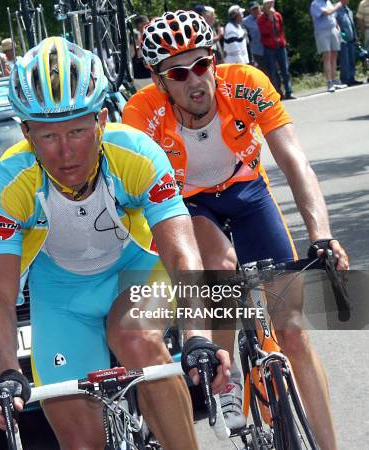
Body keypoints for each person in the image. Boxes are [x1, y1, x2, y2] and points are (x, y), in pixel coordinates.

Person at [0, 36, 231, 449]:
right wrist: (6, 372)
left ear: (100, 119)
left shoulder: (134, 153)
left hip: (133, 275)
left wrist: (197, 337)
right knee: (81, 444)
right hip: (61, 299)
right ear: (25, 131)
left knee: (133, 336)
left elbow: (180, 252)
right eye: (47, 137)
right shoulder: (9, 182)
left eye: (78, 131)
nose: (65, 153)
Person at [123, 10, 349, 449]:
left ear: (214, 58)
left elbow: (293, 161)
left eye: (202, 64)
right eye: (178, 72)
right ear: (158, 81)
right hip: (186, 202)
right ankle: (225, 375)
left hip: (247, 193)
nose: (195, 80)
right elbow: (138, 196)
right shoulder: (141, 113)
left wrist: (321, 234)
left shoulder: (246, 82)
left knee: (294, 335)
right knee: (221, 265)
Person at [258, 0, 295, 99]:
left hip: (280, 46)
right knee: (273, 72)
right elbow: (265, 32)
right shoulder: (261, 19)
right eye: (268, 3)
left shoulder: (278, 16)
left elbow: (281, 30)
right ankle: (277, 93)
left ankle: (289, 91)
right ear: (264, 6)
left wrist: (283, 41)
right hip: (269, 48)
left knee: (285, 70)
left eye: (272, 3)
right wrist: (270, 19)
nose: (271, 5)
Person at [310, 0, 348, 92]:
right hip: (322, 32)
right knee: (327, 56)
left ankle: (335, 80)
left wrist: (337, 27)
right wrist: (339, 5)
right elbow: (327, 12)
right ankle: (329, 82)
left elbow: (333, 16)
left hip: (332, 29)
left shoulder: (328, 2)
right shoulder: (315, 4)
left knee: (334, 55)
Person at [336, 0, 363, 85]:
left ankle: (352, 78)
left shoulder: (349, 10)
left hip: (352, 39)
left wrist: (356, 37)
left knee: (352, 59)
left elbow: (352, 25)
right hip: (343, 39)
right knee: (345, 61)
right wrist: (342, 36)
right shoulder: (336, 10)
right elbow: (337, 25)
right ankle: (345, 80)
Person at [243, 2, 267, 72]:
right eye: (253, 9)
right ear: (250, 11)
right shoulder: (245, 21)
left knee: (273, 70)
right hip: (256, 51)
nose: (256, 10)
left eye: (257, 8)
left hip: (269, 49)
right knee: (261, 71)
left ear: (260, 7)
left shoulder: (267, 16)